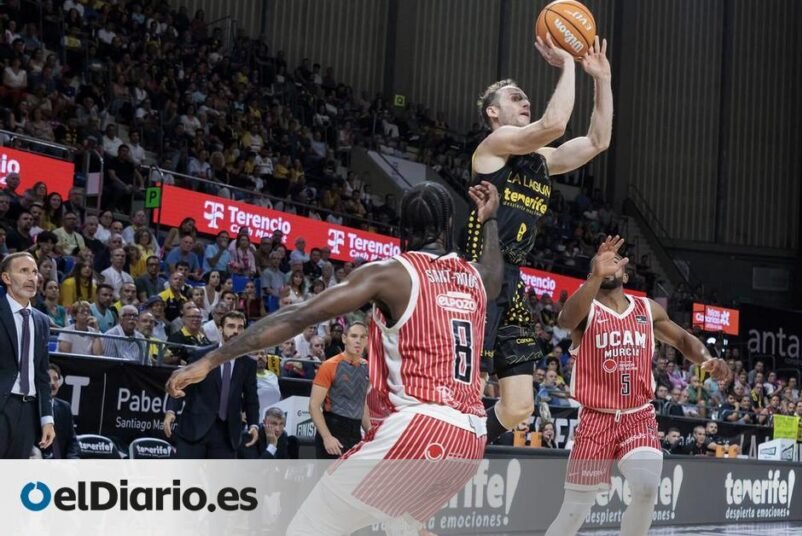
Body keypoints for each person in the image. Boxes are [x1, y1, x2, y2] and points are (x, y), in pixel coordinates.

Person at [166, 181, 503, 534]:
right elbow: (496, 276)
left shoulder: (391, 274)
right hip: (470, 439)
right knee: (403, 528)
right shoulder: (475, 276)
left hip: (419, 428)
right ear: (450, 225)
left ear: (404, 227)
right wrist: (490, 220)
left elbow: (299, 316)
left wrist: (211, 359)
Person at [468, 35, 613, 445]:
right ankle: (437, 461)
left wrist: (601, 79)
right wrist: (567, 65)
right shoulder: (493, 146)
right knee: (468, 389)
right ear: (493, 112)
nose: (525, 101)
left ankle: (469, 442)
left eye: (526, 97)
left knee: (519, 407)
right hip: (478, 273)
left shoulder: (542, 161)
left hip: (513, 282)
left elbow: (597, 141)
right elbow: (554, 125)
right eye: (516, 98)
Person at [544, 237, 729, 536]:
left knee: (645, 488)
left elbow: (682, 340)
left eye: (615, 261)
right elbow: (565, 320)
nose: (608, 263)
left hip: (637, 417)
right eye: (600, 261)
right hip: (596, 419)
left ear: (626, 274)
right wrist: (595, 275)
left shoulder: (646, 308)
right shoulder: (587, 311)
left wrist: (707, 360)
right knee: (573, 512)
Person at [162, 311, 259, 459]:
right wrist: (170, 411)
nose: (236, 331)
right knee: (185, 479)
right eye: (231, 326)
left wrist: (253, 424)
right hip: (195, 428)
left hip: (227, 435)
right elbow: (183, 384)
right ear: (220, 329)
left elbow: (251, 397)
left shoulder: (249, 363)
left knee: (220, 482)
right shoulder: (201, 355)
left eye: (240, 327)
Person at [0, 253, 56, 458]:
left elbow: (42, 375)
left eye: (34, 272)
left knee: (12, 480)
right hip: (2, 407)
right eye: (23, 271)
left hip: (28, 412)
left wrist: (47, 418)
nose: (32, 278)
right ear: (6, 278)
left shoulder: (42, 321)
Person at [310, 322, 370, 458]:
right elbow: (313, 406)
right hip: (332, 429)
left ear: (366, 340)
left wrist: (370, 431)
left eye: (362, 337)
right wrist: (327, 437)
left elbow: (362, 404)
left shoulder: (367, 367)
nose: (358, 341)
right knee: (326, 478)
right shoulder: (329, 366)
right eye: (353, 336)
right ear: (344, 339)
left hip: (355, 433)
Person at [44, 363, 79, 459]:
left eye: (55, 379)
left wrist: (72, 461)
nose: (52, 383)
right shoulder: (31, 407)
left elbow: (72, 441)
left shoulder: (65, 407)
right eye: (48, 379)